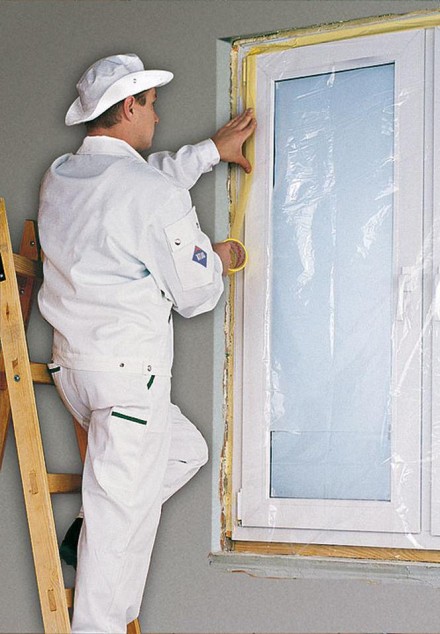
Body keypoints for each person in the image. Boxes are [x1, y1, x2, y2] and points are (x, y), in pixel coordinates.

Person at [37, 53, 256, 634]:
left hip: (75, 373)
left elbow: (138, 183)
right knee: (115, 538)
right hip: (129, 384)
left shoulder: (62, 176)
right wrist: (218, 258)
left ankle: (90, 525)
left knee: (185, 450)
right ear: (130, 105)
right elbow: (196, 296)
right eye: (152, 105)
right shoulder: (151, 194)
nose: (158, 118)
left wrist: (209, 152)